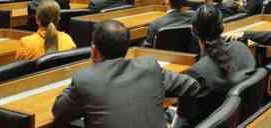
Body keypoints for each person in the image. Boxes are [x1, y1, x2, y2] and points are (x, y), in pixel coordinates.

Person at [53, 20, 200, 128]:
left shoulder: (85, 79)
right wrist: (181, 122)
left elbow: (58, 111)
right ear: (127, 48)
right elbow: (193, 86)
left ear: (94, 50)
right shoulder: (149, 66)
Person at [176, 5, 255, 127]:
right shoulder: (243, 48)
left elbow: (184, 120)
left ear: (193, 31)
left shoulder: (196, 74)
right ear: (223, 27)